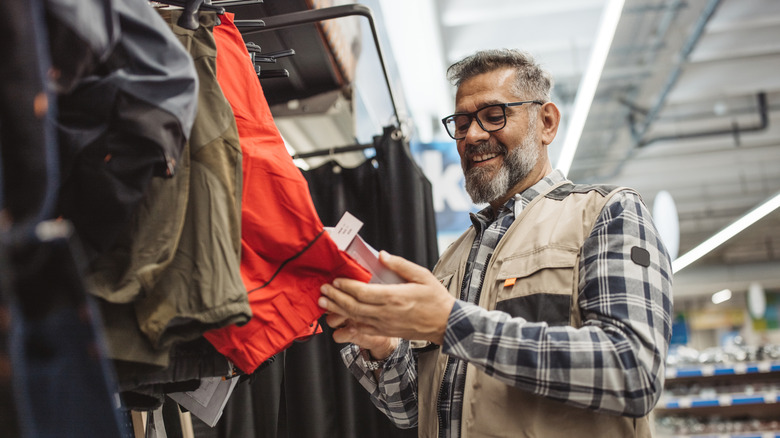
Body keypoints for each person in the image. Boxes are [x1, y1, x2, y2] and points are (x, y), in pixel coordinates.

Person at [318, 49, 673, 438]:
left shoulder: (606, 214)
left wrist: (451, 323)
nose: (472, 135)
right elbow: (412, 412)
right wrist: (383, 348)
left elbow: (633, 372)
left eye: (494, 115)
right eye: (463, 121)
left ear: (547, 122)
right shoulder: (452, 261)